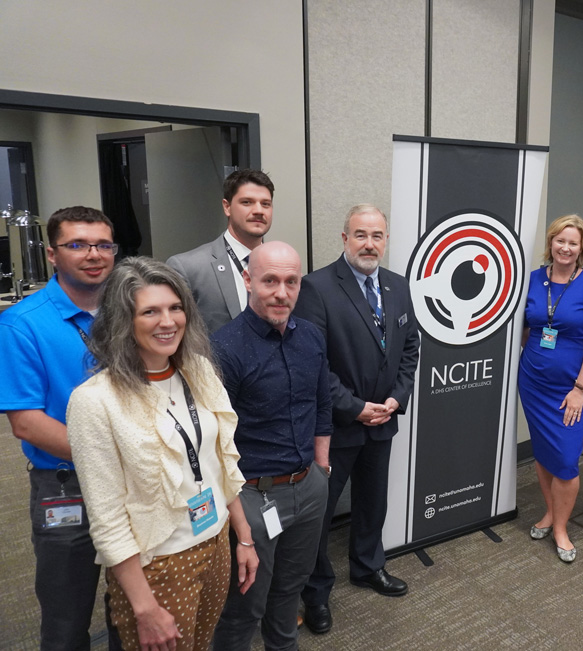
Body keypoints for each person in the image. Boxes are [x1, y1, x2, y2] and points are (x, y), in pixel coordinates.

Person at [65, 258, 258, 651]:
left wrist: (244, 536)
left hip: (216, 540)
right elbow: (107, 518)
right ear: (124, 321)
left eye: (175, 307)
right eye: (150, 311)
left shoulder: (199, 370)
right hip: (159, 564)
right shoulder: (95, 401)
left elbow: (221, 460)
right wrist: (144, 606)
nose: (167, 321)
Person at [295, 204, 420, 635]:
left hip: (384, 418)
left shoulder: (399, 286)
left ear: (386, 240)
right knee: (319, 515)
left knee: (373, 502)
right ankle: (315, 593)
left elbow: (409, 349)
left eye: (378, 235)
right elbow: (313, 363)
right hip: (337, 425)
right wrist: (354, 406)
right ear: (344, 237)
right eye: (361, 234)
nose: (370, 243)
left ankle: (368, 567)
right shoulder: (316, 287)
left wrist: (395, 399)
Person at [0, 206, 116, 649]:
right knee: (67, 618)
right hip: (67, 486)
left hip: (135, 480)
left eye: (103, 245)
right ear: (52, 254)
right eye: (78, 245)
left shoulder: (128, 310)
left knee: (135, 602)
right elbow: (27, 425)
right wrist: (113, 455)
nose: (93, 255)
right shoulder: (22, 324)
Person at [211, 241, 332, 650]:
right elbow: (212, 440)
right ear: (248, 280)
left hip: (309, 487)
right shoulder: (223, 349)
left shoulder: (311, 337)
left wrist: (322, 468)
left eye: (291, 282)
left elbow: (322, 404)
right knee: (245, 603)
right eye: (270, 281)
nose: (282, 292)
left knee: (289, 592)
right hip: (252, 496)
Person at [518, 214, 583, 563]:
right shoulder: (533, 280)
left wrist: (580, 389)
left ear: (581, 248)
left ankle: (561, 527)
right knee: (544, 452)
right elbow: (527, 329)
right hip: (533, 382)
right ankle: (550, 513)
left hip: (573, 388)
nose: (565, 248)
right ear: (551, 243)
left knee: (567, 460)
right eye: (560, 241)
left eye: (573, 243)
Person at [167, 169, 275, 334]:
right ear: (227, 207)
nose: (259, 210)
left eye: (265, 204)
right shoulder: (187, 268)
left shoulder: (281, 265)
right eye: (247, 202)